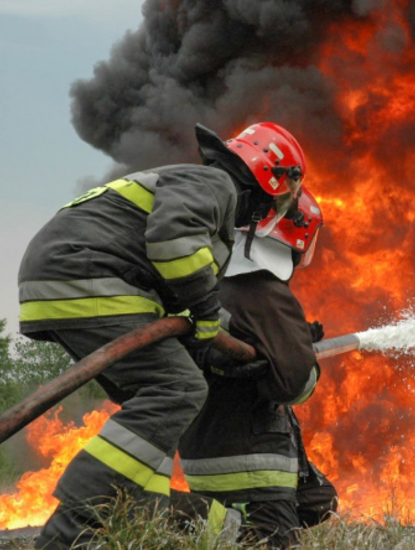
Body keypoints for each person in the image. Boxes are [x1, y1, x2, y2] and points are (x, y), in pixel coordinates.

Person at [18, 121, 308, 549]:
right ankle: (72, 527)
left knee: (154, 407)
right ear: (270, 177)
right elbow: (173, 244)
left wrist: (221, 345)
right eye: (281, 198)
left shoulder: (197, 188)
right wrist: (207, 316)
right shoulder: (216, 185)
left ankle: (131, 514)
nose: (271, 210)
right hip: (88, 275)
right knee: (178, 389)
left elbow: (176, 293)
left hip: (66, 280)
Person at [175, 187, 338, 548]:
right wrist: (304, 359)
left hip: (204, 450)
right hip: (251, 461)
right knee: (270, 540)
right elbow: (294, 384)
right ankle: (212, 523)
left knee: (319, 501)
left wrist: (290, 340)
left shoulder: (212, 284)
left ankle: (224, 525)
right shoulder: (263, 289)